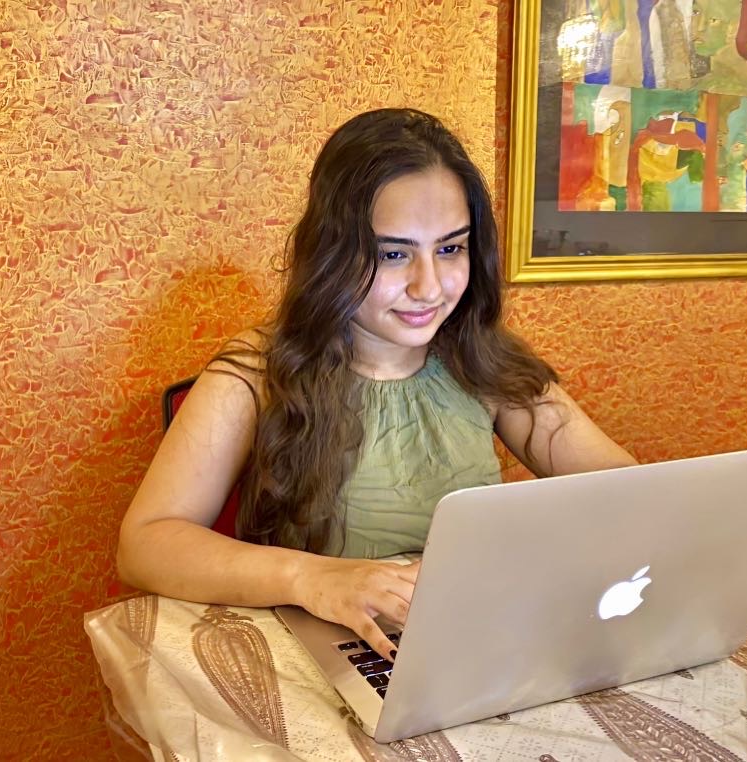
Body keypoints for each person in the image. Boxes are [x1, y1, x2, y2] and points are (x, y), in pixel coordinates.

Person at [117, 108, 636, 662]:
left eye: (450, 248)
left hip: (477, 645)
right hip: (325, 654)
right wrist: (313, 578)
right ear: (332, 253)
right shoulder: (256, 370)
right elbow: (146, 544)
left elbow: (633, 495)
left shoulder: (483, 360)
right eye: (393, 254)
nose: (429, 287)